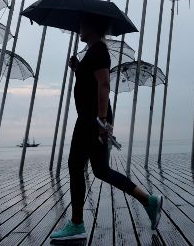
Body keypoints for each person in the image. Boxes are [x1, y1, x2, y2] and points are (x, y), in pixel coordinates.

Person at [50, 13, 163, 241]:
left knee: (75, 166)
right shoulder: (93, 52)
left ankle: (77, 224)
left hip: (92, 120)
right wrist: (78, 68)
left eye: (82, 23)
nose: (79, 26)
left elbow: (104, 85)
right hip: (92, 119)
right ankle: (148, 200)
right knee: (101, 170)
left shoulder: (99, 50)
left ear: (92, 26)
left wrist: (102, 121)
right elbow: (92, 82)